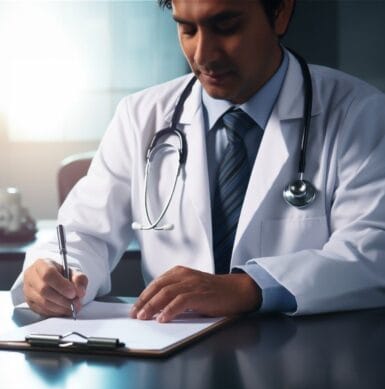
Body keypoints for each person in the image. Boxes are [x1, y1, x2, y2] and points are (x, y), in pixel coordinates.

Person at [11, 0, 385, 322]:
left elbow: (371, 252)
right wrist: (59, 275)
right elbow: (84, 233)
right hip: (170, 359)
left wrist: (250, 288)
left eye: (226, 26)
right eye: (187, 29)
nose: (203, 54)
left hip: (306, 366)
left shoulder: (357, 114)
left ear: (281, 12)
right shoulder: (141, 116)